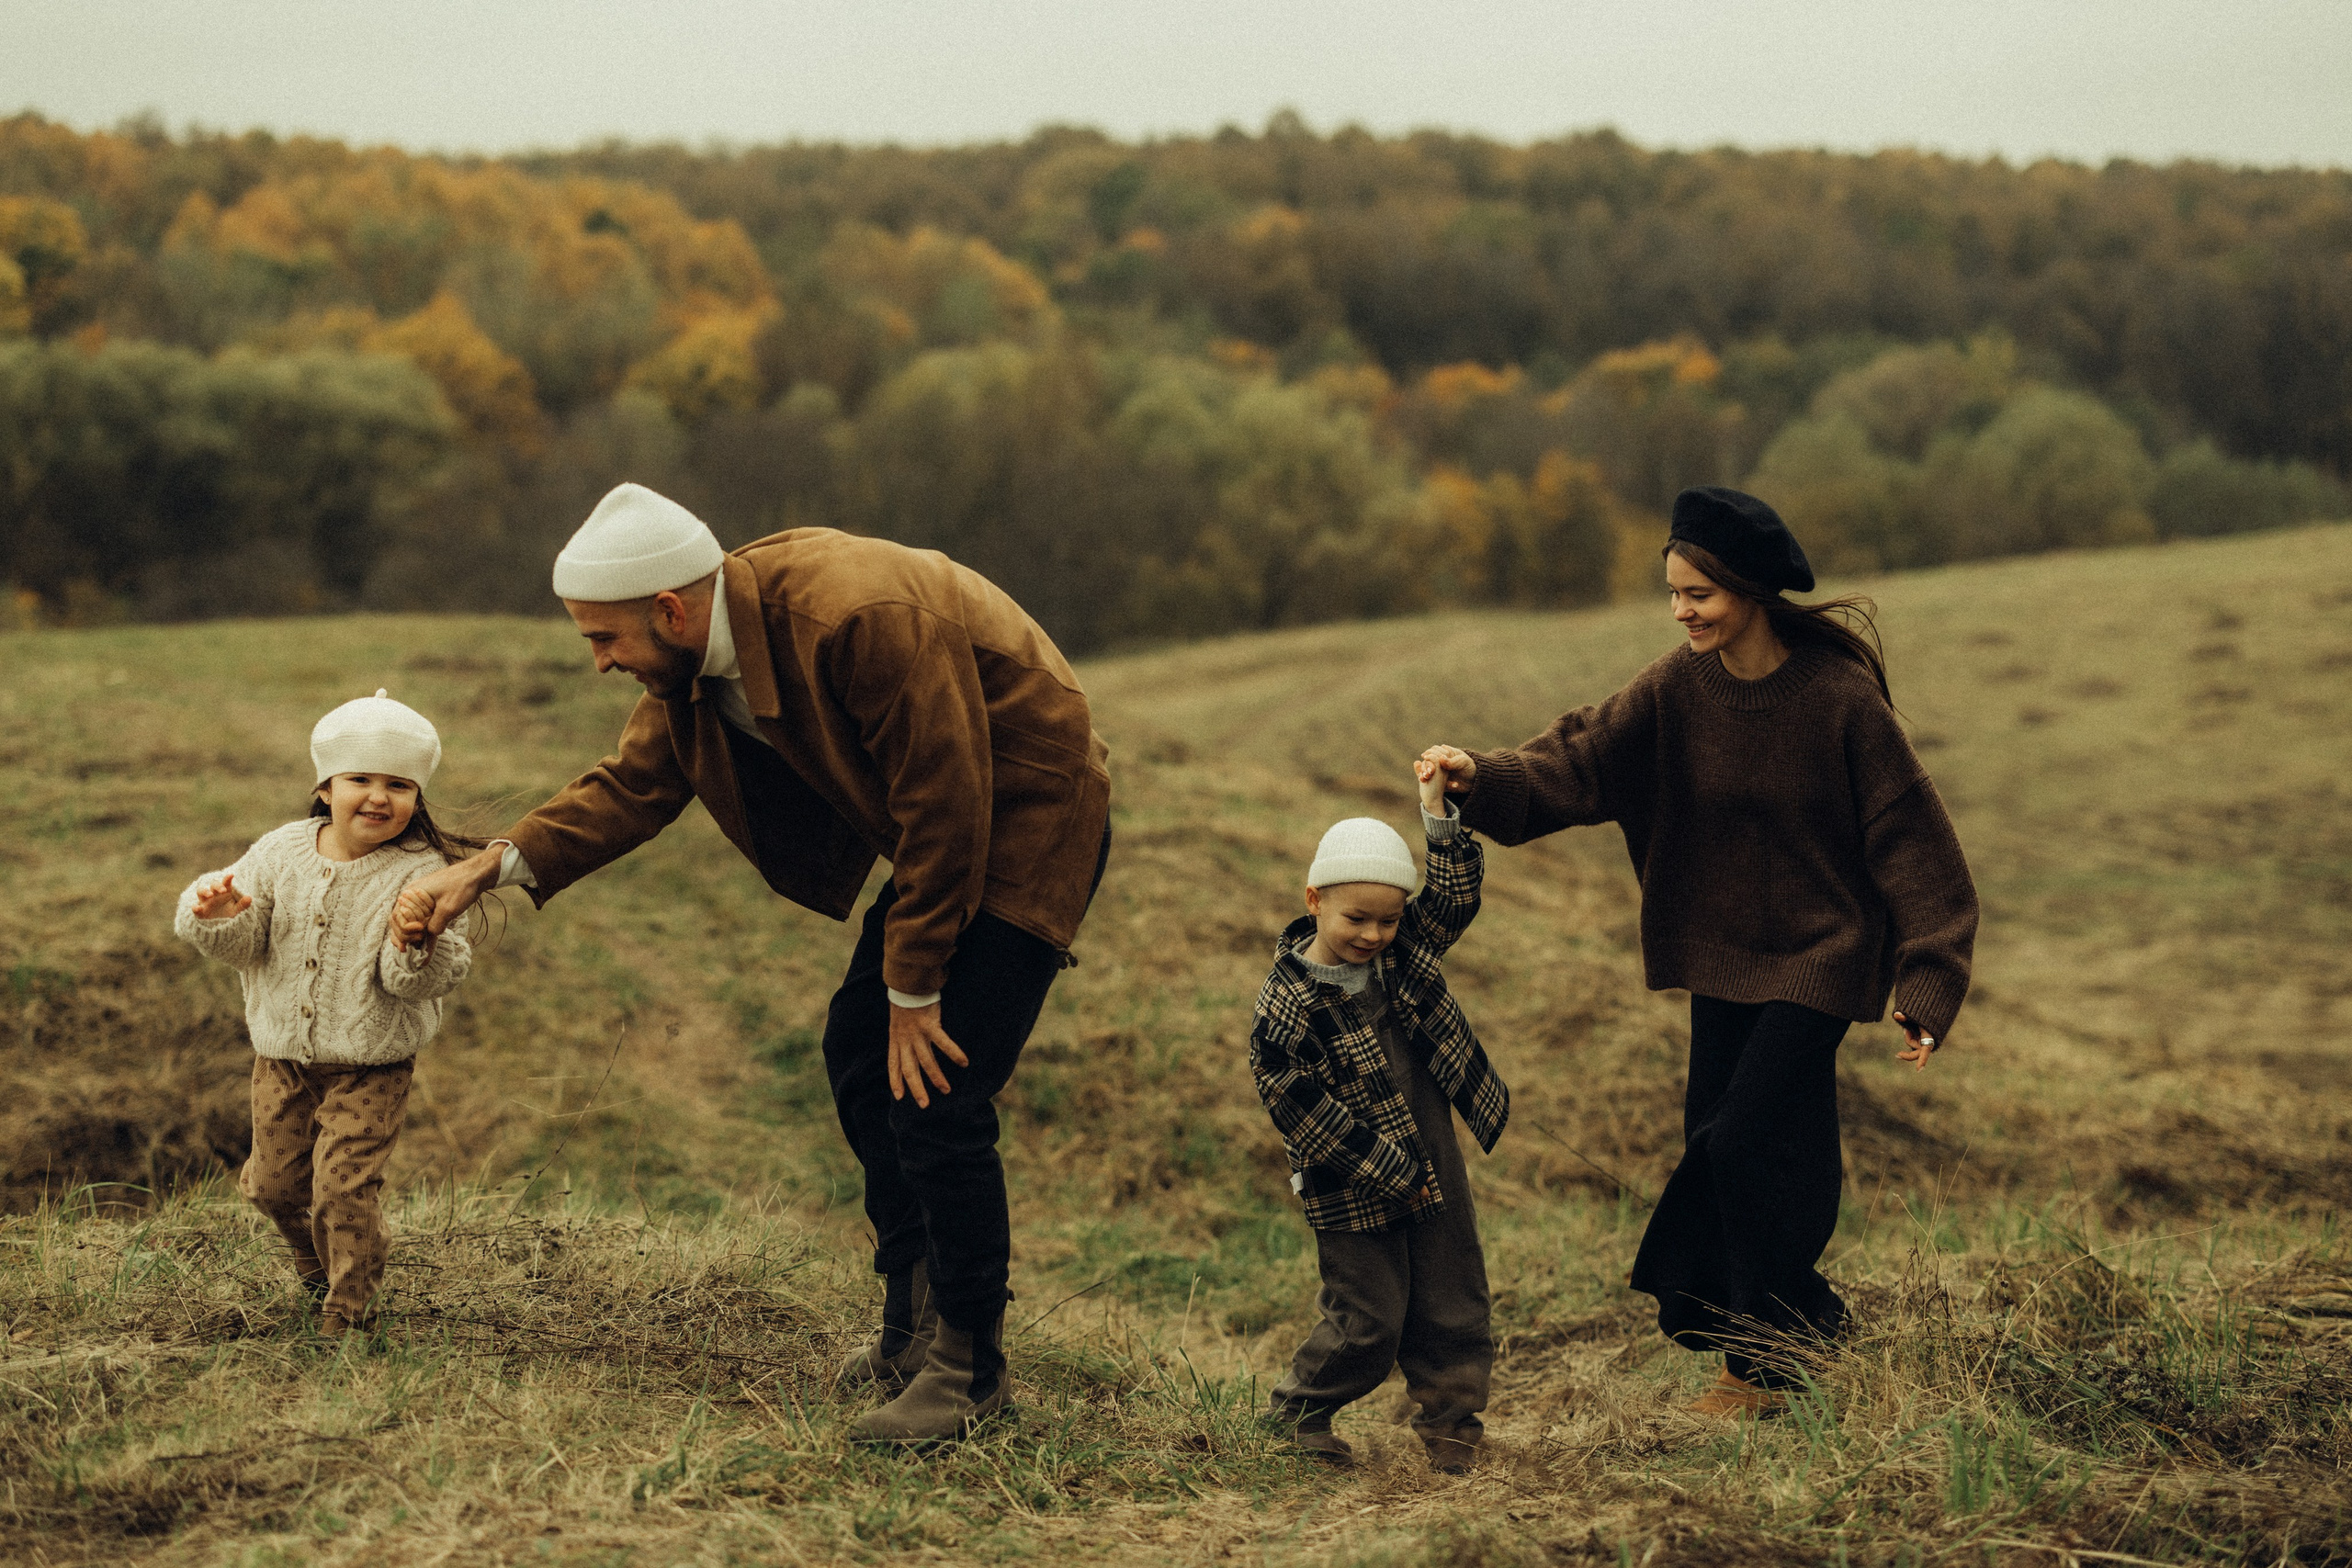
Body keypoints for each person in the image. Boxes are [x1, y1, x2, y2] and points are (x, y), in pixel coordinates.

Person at [391, 483, 1113, 1443]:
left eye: (603, 641)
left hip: (1026, 821)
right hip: (947, 832)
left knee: (937, 1087)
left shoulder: (855, 616)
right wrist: (484, 870)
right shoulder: (689, 664)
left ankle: (971, 1374)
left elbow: (948, 799)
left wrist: (915, 986)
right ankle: (912, 1329)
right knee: (861, 1057)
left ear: (670, 611)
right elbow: (634, 786)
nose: (600, 664)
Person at [1419, 486, 1977, 1417]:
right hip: (1717, 957)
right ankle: (1773, 1354)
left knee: (1744, 1141)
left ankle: (1779, 1338)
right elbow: (1581, 760)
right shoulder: (1675, 690)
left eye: (1699, 595)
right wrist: (1483, 776)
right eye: (1673, 594)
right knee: (1731, 1147)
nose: (1682, 611)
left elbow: (1915, 845)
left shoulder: (1839, 702)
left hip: (1821, 958)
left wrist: (1925, 981)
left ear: (1750, 590)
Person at [175, 691, 478, 1337]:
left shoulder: (422, 870)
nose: (378, 796)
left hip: (371, 1065)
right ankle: (315, 1267)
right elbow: (246, 941)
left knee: (342, 1189)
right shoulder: (281, 851)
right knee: (274, 1189)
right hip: (282, 1055)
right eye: (360, 779)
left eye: (399, 784)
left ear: (417, 798)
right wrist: (220, 914)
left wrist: (414, 940)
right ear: (324, 786)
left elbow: (419, 979)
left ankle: (349, 1316)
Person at [1249, 757, 1510, 1472]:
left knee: (1454, 1293)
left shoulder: (1403, 954)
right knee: (1370, 1317)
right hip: (1352, 1177)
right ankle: (1297, 1414)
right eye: (1356, 918)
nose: (1373, 934)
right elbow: (1305, 1115)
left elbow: (1453, 897)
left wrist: (1437, 811)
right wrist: (1398, 1173)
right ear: (1314, 901)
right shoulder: (1287, 1006)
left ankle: (1454, 1428)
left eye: (1389, 919)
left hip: (1431, 1149)